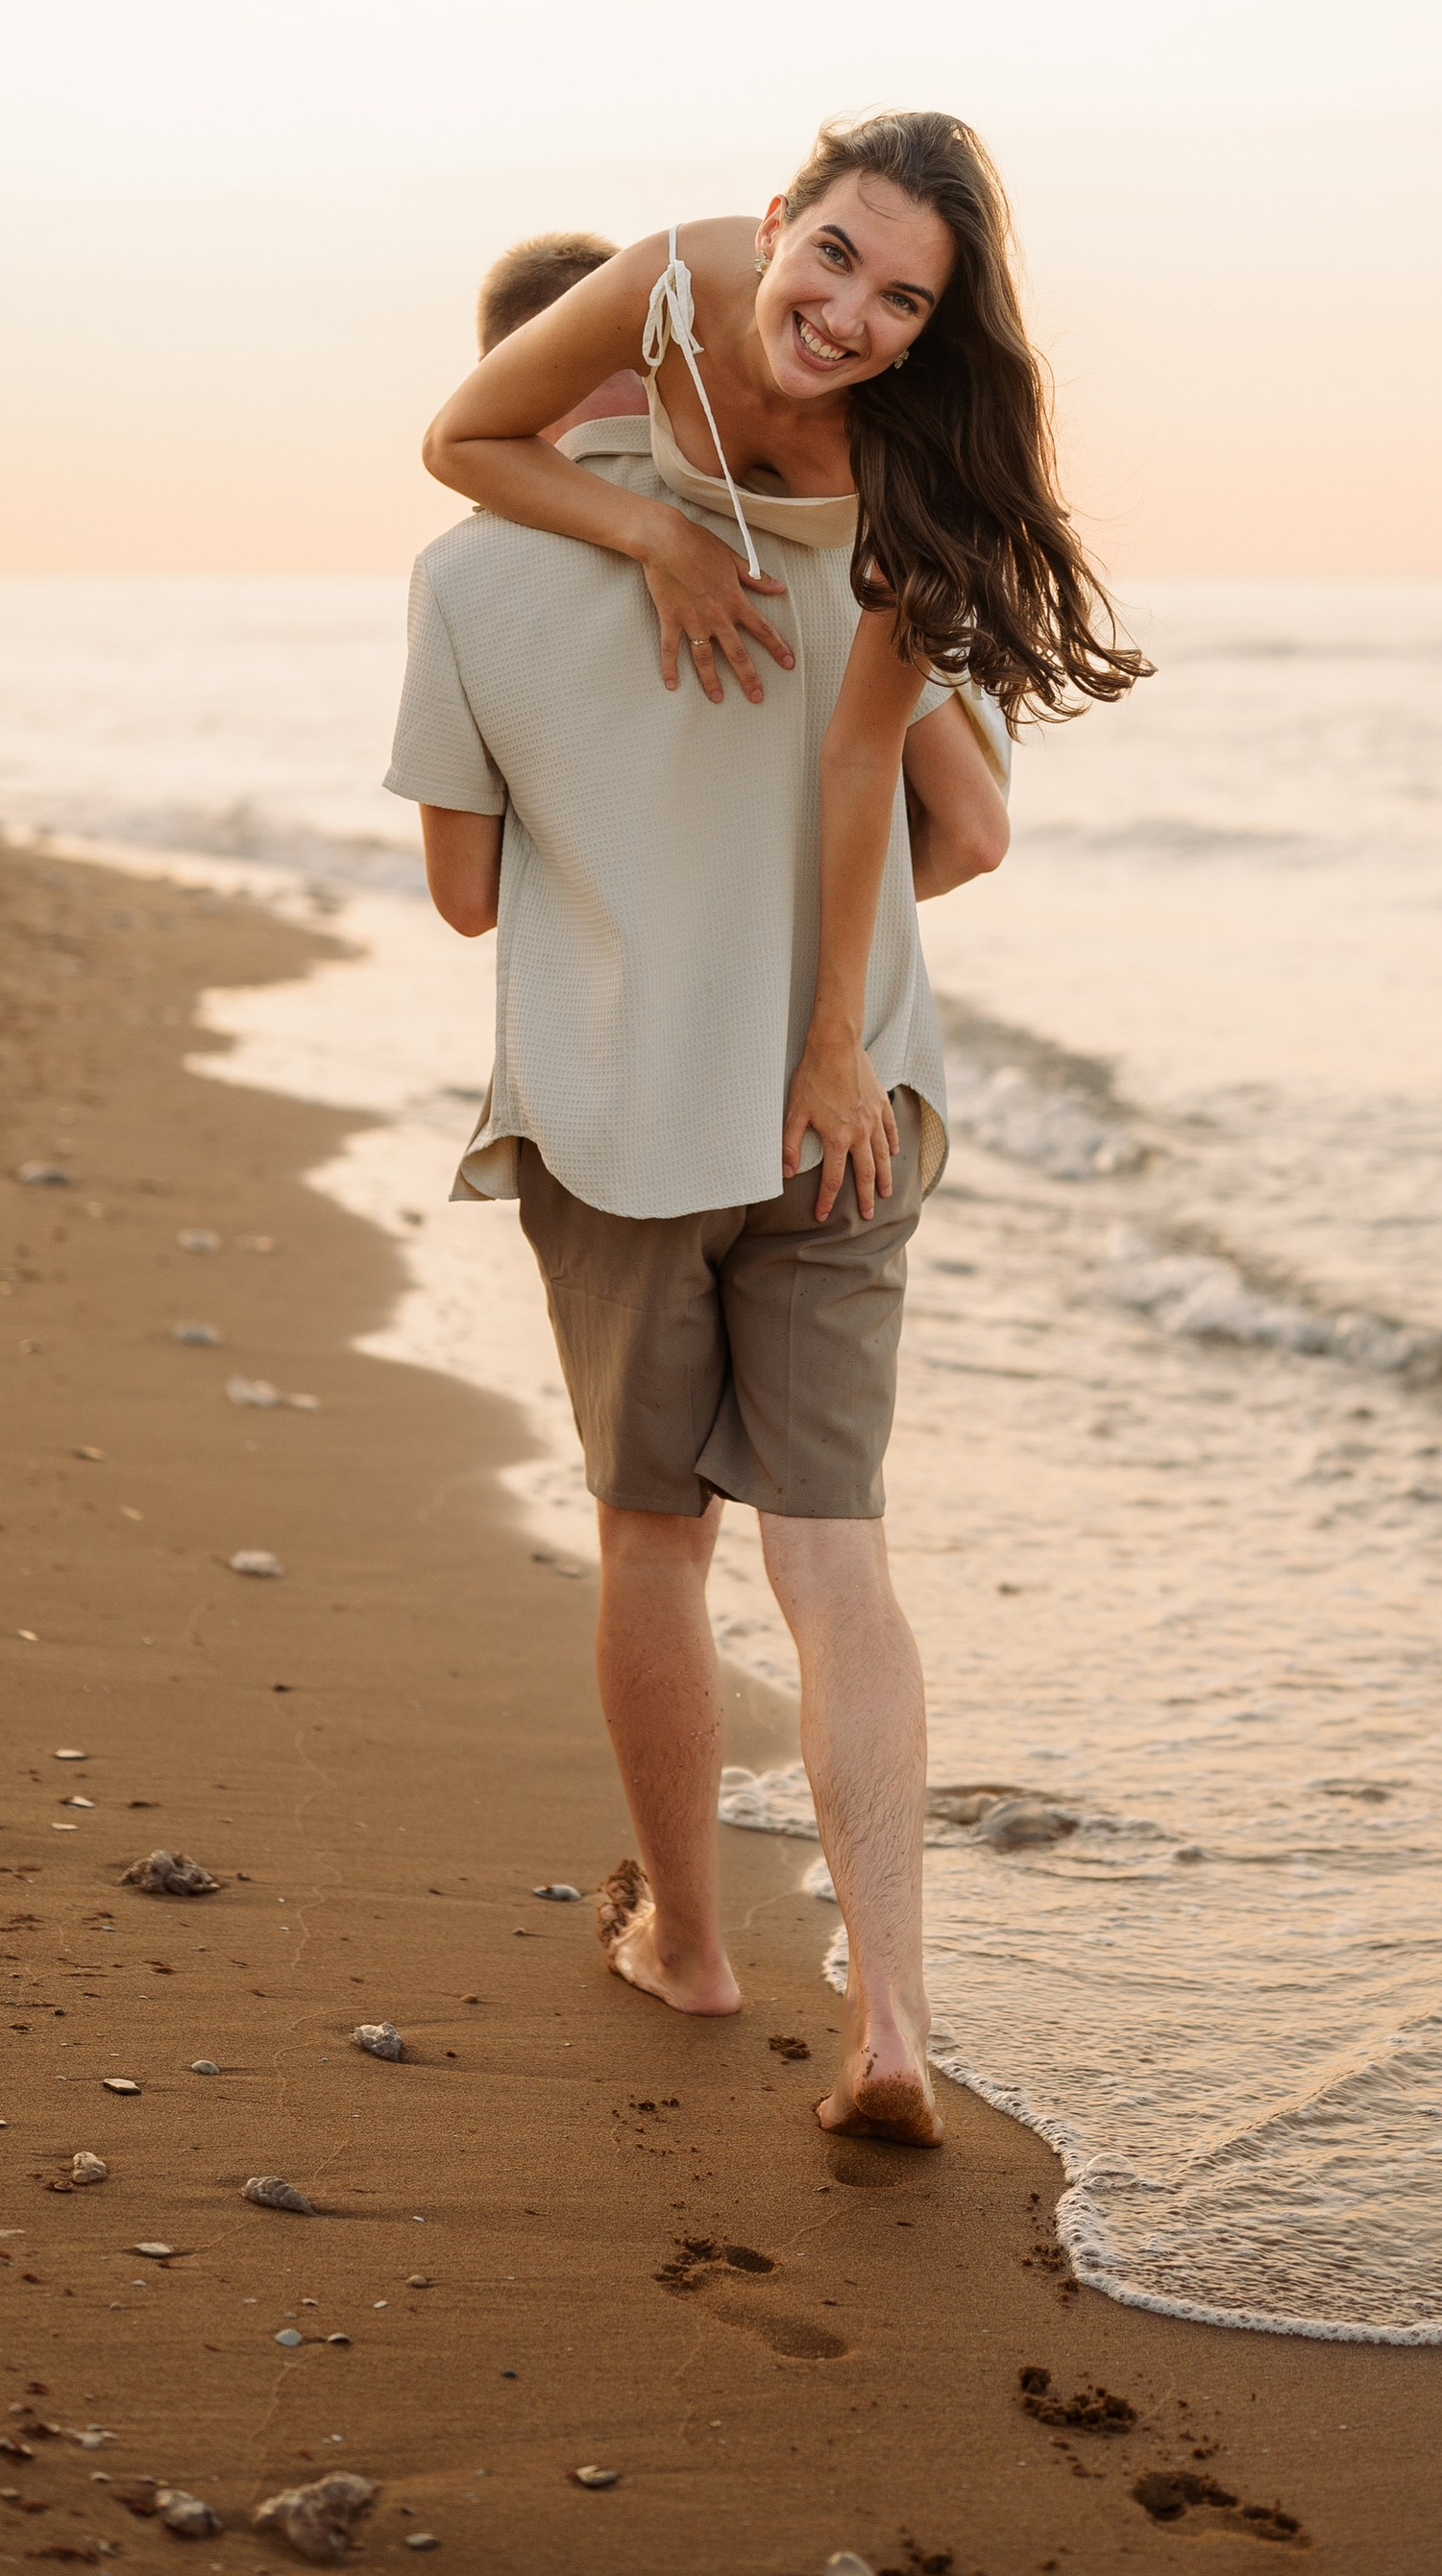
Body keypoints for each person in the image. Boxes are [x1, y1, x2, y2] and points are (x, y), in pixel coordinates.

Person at [394, 123, 1141, 2145]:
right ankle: (886, 2014)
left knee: (655, 1542)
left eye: (895, 299)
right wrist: (826, 1019)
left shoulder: (464, 585)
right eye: (833, 271)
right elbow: (954, 829)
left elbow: (464, 892)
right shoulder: (868, 529)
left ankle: (697, 1950)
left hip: (625, 1108)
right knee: (839, 1566)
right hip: (843, 1110)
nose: (841, 320)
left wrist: (638, 873)